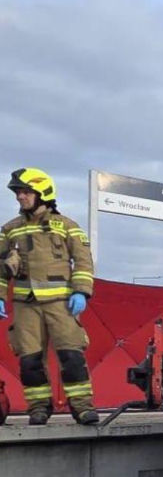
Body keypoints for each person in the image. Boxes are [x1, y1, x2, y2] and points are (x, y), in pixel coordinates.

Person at [0, 168, 98, 425]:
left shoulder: (67, 226)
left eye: (25, 192)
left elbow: (84, 263)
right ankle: (38, 409)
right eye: (18, 193)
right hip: (25, 305)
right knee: (30, 361)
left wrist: (81, 292)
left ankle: (83, 408)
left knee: (71, 356)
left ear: (42, 193)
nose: (20, 197)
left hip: (61, 305)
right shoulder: (10, 229)